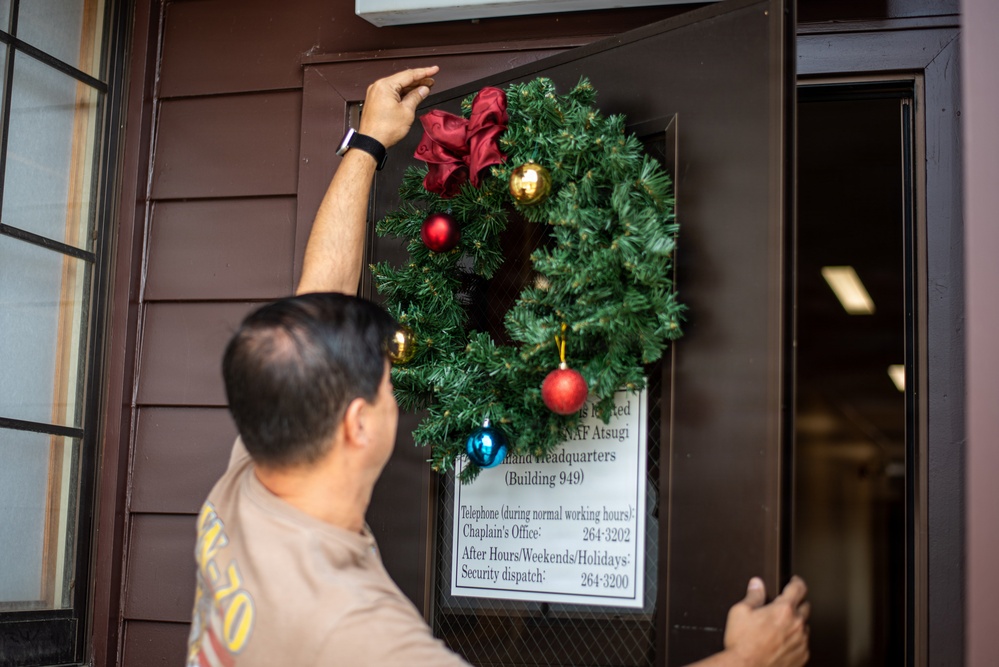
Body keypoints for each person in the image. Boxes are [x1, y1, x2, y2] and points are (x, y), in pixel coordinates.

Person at [186, 66, 810, 667]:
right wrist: (749, 658)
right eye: (384, 382)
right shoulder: (359, 631)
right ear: (356, 423)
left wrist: (369, 142)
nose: (394, 393)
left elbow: (320, 291)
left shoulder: (248, 479)